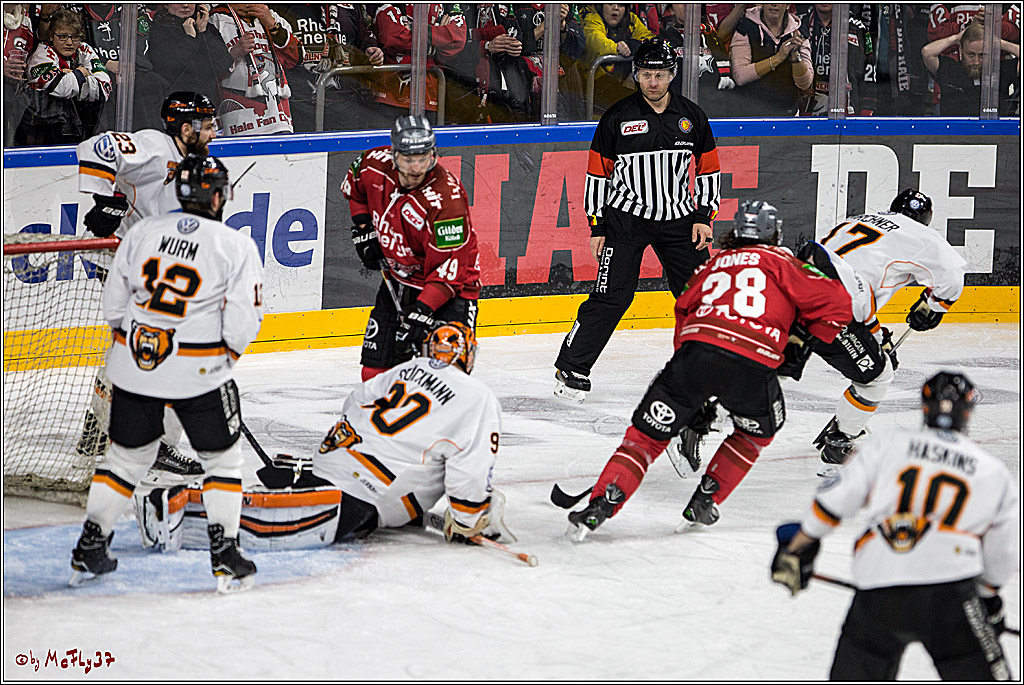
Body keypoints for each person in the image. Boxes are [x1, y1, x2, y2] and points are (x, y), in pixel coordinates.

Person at [565, 200, 853, 542]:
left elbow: (683, 313)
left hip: (693, 358)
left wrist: (692, 390)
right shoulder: (784, 262)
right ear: (774, 233)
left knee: (643, 440)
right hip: (751, 363)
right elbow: (840, 306)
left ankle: (599, 505)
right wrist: (800, 344)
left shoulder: (710, 266)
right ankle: (706, 500)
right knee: (756, 432)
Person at [133, 321, 512, 551]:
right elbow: (469, 477)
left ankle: (303, 476)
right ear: (469, 356)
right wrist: (469, 518)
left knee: (299, 505)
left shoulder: (407, 368)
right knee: (276, 528)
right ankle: (176, 507)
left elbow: (355, 401)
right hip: (364, 494)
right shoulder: (477, 398)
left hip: (330, 462)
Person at [70, 154, 265, 594]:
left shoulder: (142, 231)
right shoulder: (233, 245)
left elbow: (115, 303)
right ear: (217, 195)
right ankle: (225, 555)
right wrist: (222, 360)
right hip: (199, 370)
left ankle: (90, 544)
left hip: (135, 365)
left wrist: (134, 350)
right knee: (222, 461)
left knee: (124, 459)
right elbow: (245, 318)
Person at [770, 372, 1018, 680]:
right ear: (968, 412)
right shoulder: (991, 471)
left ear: (924, 408)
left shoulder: (888, 443)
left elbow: (836, 500)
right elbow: (1004, 554)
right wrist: (987, 598)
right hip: (952, 592)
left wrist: (797, 548)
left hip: (879, 587)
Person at [553, 38, 719, 402]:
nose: (653, 82)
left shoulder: (692, 117)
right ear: (636, 75)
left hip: (680, 219)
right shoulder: (617, 117)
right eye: (646, 74)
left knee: (700, 295)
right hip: (625, 219)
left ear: (672, 75)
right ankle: (572, 365)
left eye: (659, 74)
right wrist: (597, 226)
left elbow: (708, 169)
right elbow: (598, 175)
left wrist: (703, 216)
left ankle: (711, 368)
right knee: (611, 296)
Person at [74, 91, 221, 475]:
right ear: (185, 128)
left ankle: (98, 427)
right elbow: (98, 146)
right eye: (206, 125)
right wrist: (104, 200)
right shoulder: (155, 146)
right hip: (126, 260)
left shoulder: (199, 164)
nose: (213, 132)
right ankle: (156, 444)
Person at [803, 189, 967, 474]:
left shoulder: (860, 219)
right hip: (835, 304)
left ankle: (704, 407)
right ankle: (841, 439)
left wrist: (875, 333)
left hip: (797, 286)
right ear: (925, 219)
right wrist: (932, 308)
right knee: (879, 375)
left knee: (767, 359)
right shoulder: (921, 234)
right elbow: (952, 276)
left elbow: (846, 268)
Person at [341, 115, 481, 382]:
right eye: (408, 159)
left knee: (447, 379)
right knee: (374, 373)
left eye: (423, 158)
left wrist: (423, 311)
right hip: (397, 280)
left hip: (450, 294)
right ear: (394, 155)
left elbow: (449, 271)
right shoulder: (373, 164)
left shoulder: (446, 200)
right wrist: (363, 227)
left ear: (433, 155)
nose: (416, 167)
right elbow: (355, 186)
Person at [274, 4, 384, 133]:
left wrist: (371, 48)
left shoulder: (351, 6)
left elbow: (365, 35)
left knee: (346, 151)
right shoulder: (281, 6)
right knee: (305, 151)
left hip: (346, 102)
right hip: (300, 104)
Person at [14, 7, 111, 146]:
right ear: (51, 36)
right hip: (43, 131)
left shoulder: (84, 49)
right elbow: (62, 88)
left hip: (79, 125)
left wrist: (72, 76)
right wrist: (81, 73)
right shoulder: (41, 55)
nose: (70, 42)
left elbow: (104, 89)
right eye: (63, 36)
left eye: (74, 36)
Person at [209, 3, 301, 136]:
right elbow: (206, 69)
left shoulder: (272, 17)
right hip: (240, 117)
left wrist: (272, 26)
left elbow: (296, 58)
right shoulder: (216, 19)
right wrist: (234, 53)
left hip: (279, 115)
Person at [372, 3, 468, 124]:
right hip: (390, 95)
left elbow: (458, 38)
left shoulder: (447, 5)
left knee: (427, 142)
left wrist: (414, 29)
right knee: (386, 142)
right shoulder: (392, 5)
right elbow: (393, 38)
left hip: (430, 96)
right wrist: (436, 39)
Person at [922, 18, 1021, 116]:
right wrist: (956, 38)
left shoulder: (1000, 70)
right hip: (956, 130)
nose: (976, 62)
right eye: (971, 54)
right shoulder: (950, 69)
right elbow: (927, 52)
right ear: (961, 50)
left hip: (994, 130)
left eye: (982, 55)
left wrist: (997, 42)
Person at [729, 3, 813, 117]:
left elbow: (805, 84)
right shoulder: (745, 28)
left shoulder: (799, 32)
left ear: (788, 4)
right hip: (750, 116)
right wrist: (778, 58)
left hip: (789, 114)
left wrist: (795, 55)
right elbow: (740, 76)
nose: (774, 4)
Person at [147, 4, 233, 108]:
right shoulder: (156, 27)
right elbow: (167, 68)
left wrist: (203, 32)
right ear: (166, 4)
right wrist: (190, 39)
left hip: (205, 103)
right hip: (171, 104)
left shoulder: (207, 28)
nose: (185, 5)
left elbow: (223, 64)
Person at [795, 4, 874, 116]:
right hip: (806, 114)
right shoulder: (798, 25)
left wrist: (866, 112)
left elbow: (869, 72)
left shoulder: (857, 27)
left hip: (848, 115)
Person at [581, 3, 655, 113]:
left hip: (623, 90)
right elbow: (596, 44)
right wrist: (619, 49)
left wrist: (633, 46)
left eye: (621, 5)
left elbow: (652, 42)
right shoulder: (592, 17)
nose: (615, 8)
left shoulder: (631, 20)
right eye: (610, 3)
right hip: (593, 93)